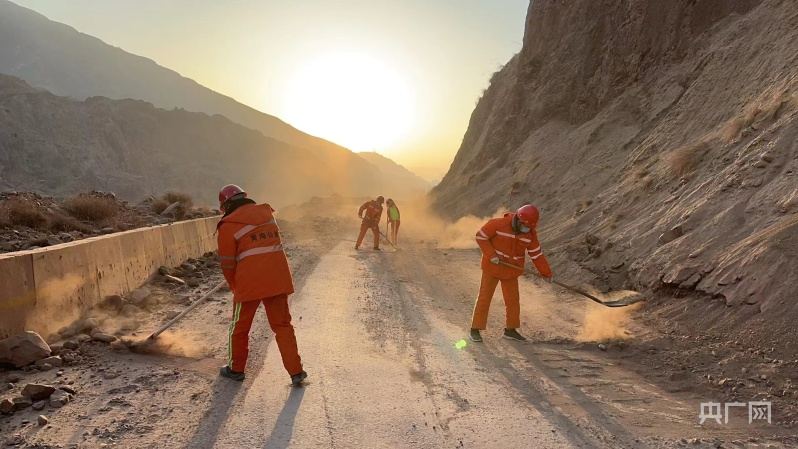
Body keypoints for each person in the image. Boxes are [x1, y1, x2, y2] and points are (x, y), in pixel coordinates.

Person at [215, 184, 307, 386]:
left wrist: (234, 286)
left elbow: (227, 263)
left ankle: (236, 369)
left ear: (226, 204)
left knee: (239, 328)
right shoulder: (268, 215)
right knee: (283, 326)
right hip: (278, 279)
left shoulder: (228, 224)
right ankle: (296, 372)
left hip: (250, 283)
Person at [469, 205, 553, 342]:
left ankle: (510, 330)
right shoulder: (497, 224)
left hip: (511, 270)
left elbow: (536, 254)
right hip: (492, 267)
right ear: (518, 220)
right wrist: (491, 255)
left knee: (513, 301)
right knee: (485, 297)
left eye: (529, 227)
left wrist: (546, 274)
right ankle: (475, 329)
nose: (526, 229)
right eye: (525, 225)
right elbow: (481, 237)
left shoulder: (529, 234)